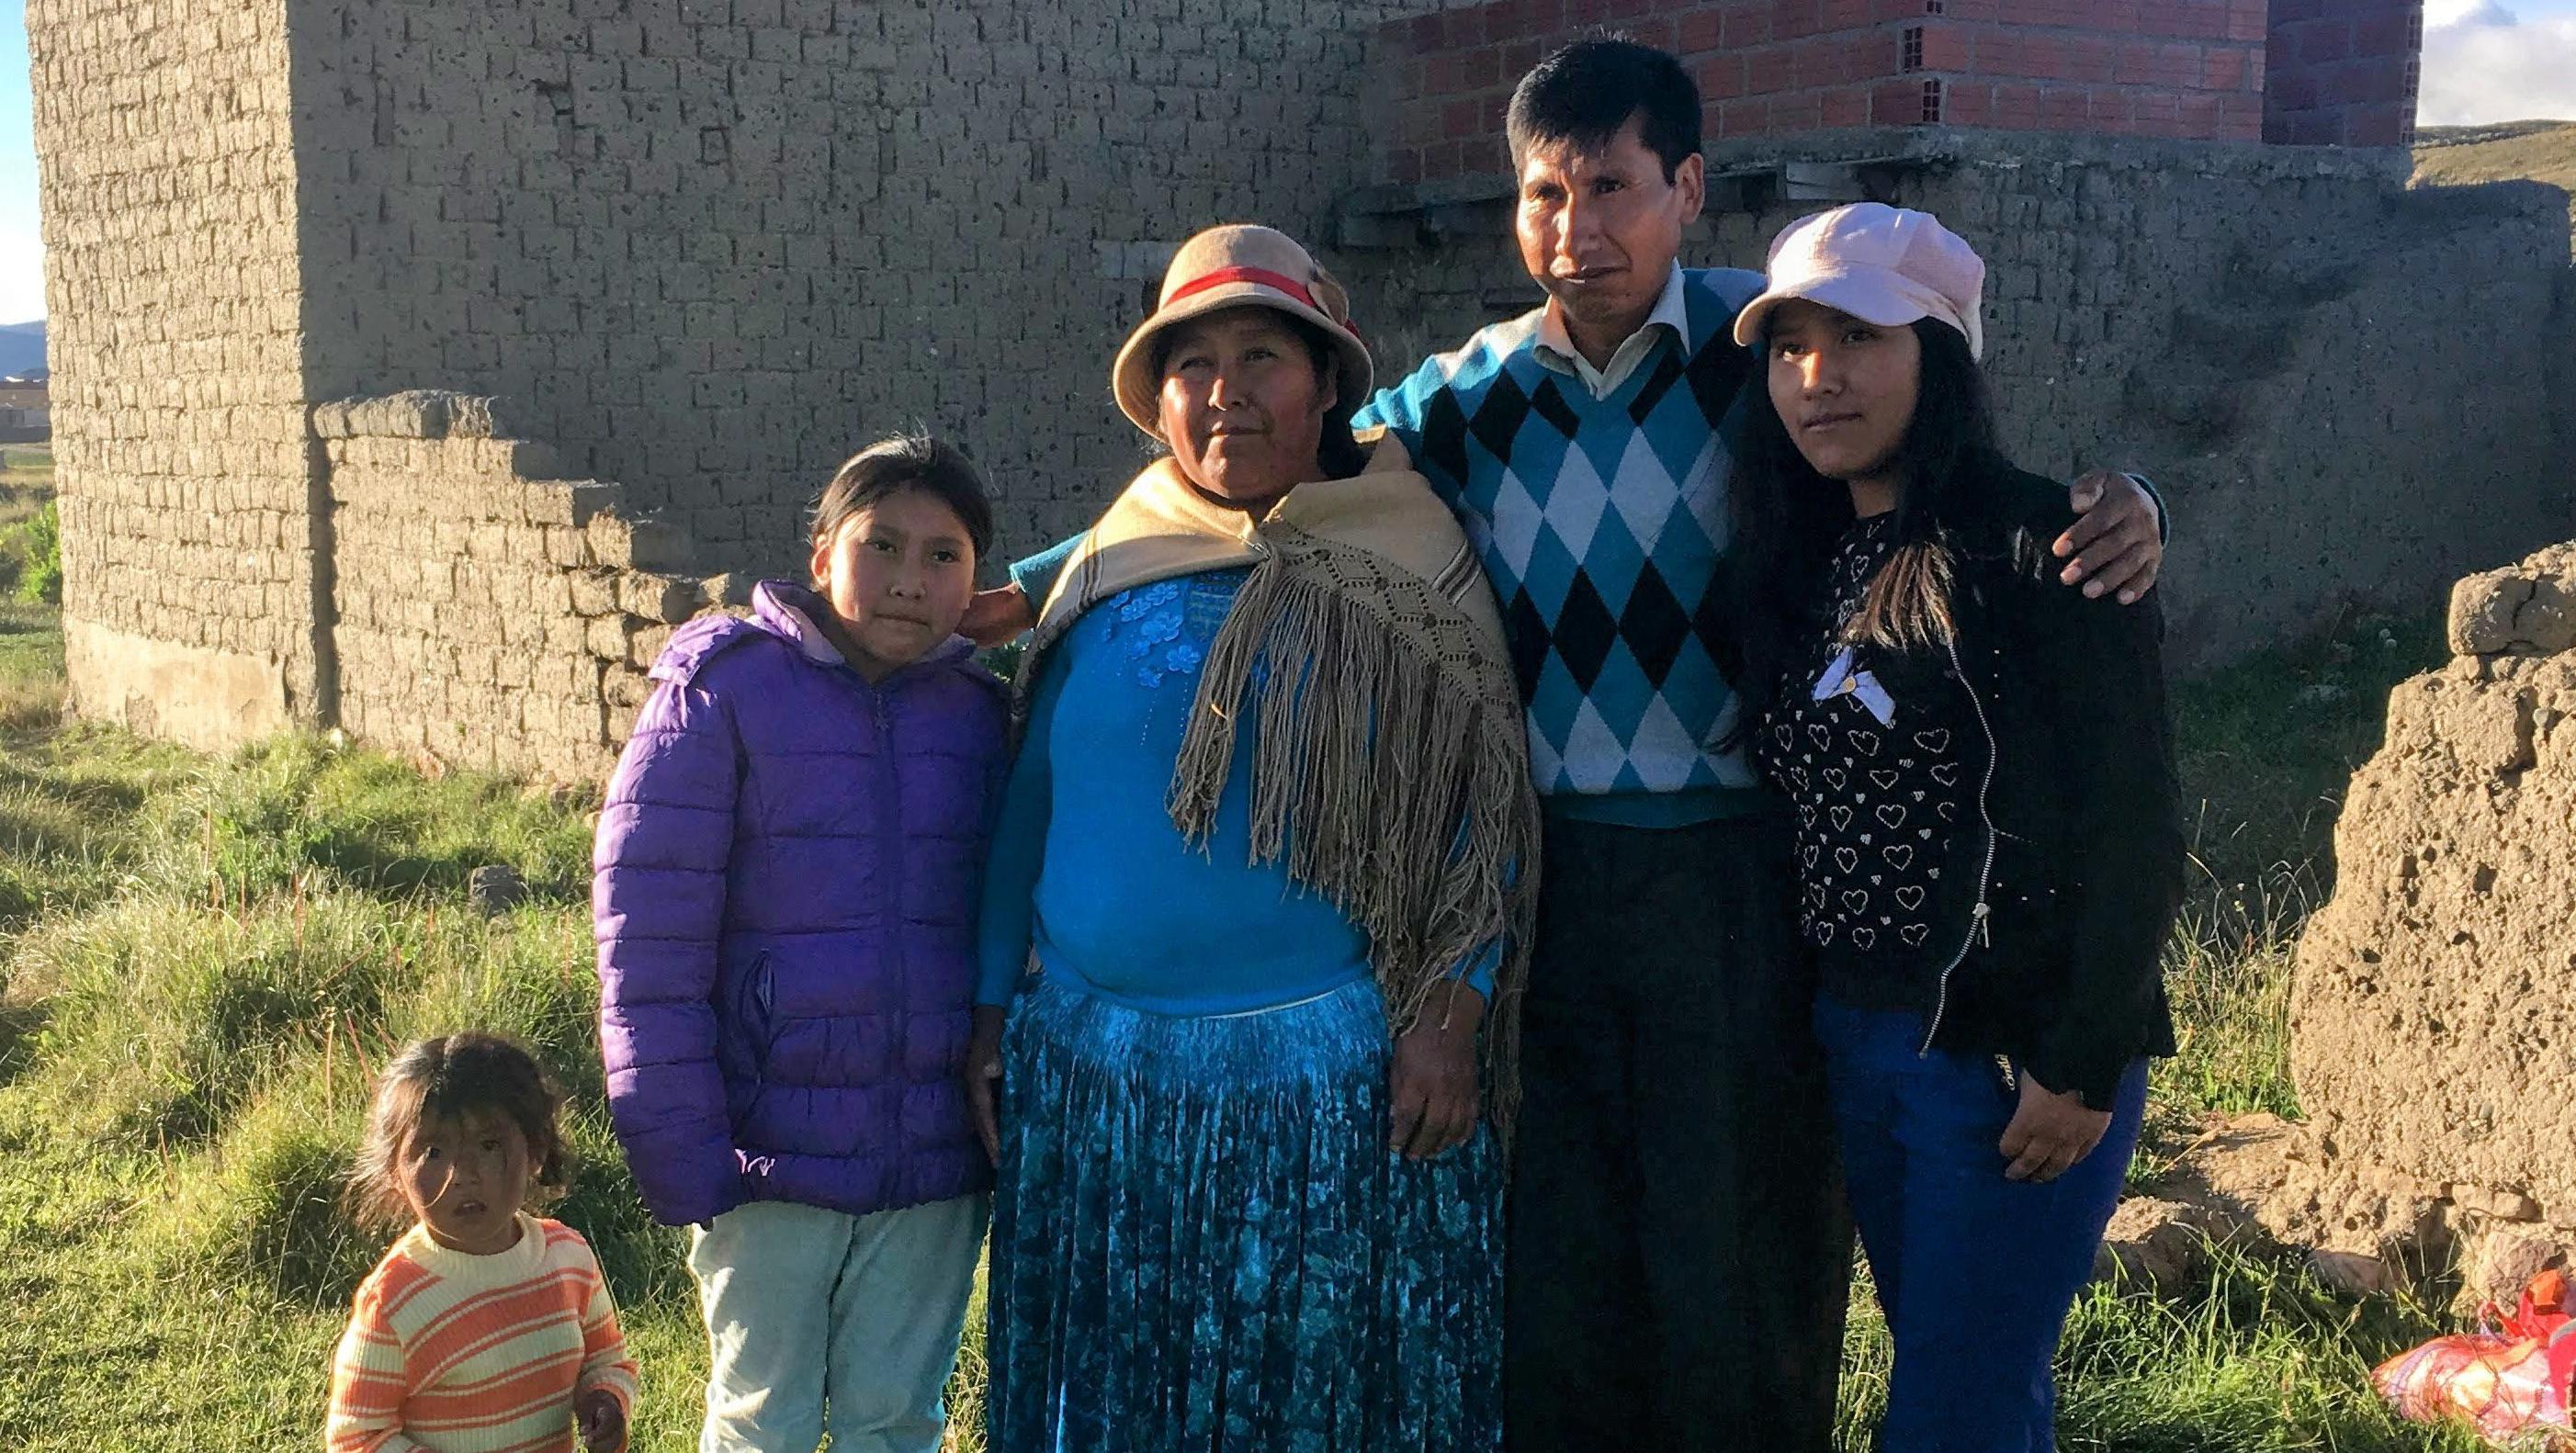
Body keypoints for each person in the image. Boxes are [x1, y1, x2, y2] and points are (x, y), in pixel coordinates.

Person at [960, 40, 2167, 1450]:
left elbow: (1945, 460)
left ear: (1687, 189)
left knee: (1739, 1243)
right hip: (1557, 870)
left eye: (1613, 188)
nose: (1578, 229)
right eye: (1546, 193)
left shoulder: (1765, 352)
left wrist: (2127, 503)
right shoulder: (1466, 397)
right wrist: (1037, 579)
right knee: (1565, 1242)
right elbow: (1251, 467)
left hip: (1741, 877)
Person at [969, 222, 1535, 1453]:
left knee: (1307, 1399)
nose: (1225, 389)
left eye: (1261, 355)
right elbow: (1031, 802)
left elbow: (1482, 813)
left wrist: (1454, 1013)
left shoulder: (1411, 558)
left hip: (1329, 1093)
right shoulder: (1114, 558)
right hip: (1097, 1083)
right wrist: (988, 1010)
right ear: (1158, 399)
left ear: (1328, 382)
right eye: (1193, 363)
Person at [1729, 203, 2185, 1451]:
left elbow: (2136, 822)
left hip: (2002, 1053)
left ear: (1939, 354)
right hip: (1861, 1038)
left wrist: (2080, 1056)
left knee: (1950, 1411)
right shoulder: (1807, 556)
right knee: (1968, 1384)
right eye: (1789, 344)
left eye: (1859, 337)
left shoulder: (2048, 549)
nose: (1817, 376)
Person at [591, 434, 1007, 1453]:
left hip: (933, 1155)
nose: (909, 581)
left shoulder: (983, 716)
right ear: (821, 555)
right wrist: (681, 1145)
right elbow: (648, 940)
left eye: (943, 556)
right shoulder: (722, 692)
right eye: (882, 545)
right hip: (766, 1153)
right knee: (761, 1421)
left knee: (896, 1420)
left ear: (977, 582)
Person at [328, 1032, 637, 1453]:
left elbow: (606, 1359)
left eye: (489, 1145)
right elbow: (357, 1437)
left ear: (535, 1151)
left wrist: (606, 1401)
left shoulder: (567, 1258)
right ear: (394, 1173)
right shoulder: (394, 1301)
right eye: (433, 1152)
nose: (462, 1174)